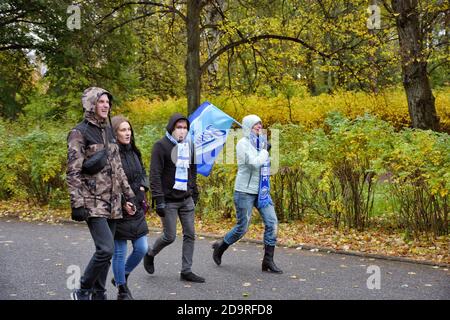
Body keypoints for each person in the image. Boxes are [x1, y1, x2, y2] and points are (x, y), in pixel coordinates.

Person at [66, 87, 136, 300]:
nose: (106, 105)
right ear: (90, 104)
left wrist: (128, 196)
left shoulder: (108, 132)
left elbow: (118, 168)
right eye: (101, 101)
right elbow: (73, 170)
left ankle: (99, 293)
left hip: (113, 202)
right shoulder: (79, 132)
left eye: (108, 102)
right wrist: (77, 203)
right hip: (92, 201)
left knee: (106, 254)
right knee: (105, 249)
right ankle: (83, 289)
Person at [212, 115, 283, 274]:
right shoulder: (242, 144)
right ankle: (221, 246)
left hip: (262, 191)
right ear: (247, 127)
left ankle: (268, 261)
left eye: (260, 123)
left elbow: (264, 165)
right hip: (244, 191)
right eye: (254, 124)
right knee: (242, 228)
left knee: (272, 223)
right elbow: (254, 163)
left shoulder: (261, 142)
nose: (259, 126)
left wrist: (264, 150)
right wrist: (265, 151)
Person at [143, 113, 204, 283]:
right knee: (169, 236)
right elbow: (154, 175)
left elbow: (193, 170)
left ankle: (186, 270)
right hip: (168, 200)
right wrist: (158, 199)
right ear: (172, 128)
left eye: (185, 128)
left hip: (186, 198)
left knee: (190, 234)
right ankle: (150, 253)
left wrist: (194, 190)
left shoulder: (189, 146)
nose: (182, 131)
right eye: (179, 127)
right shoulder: (160, 146)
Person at [110, 115, 150, 300]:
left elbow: (142, 172)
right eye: (123, 130)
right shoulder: (111, 154)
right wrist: (121, 203)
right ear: (115, 133)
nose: (127, 133)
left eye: (129, 129)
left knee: (142, 248)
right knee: (119, 252)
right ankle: (122, 290)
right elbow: (109, 183)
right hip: (119, 209)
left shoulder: (134, 151)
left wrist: (143, 186)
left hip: (137, 206)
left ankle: (121, 277)